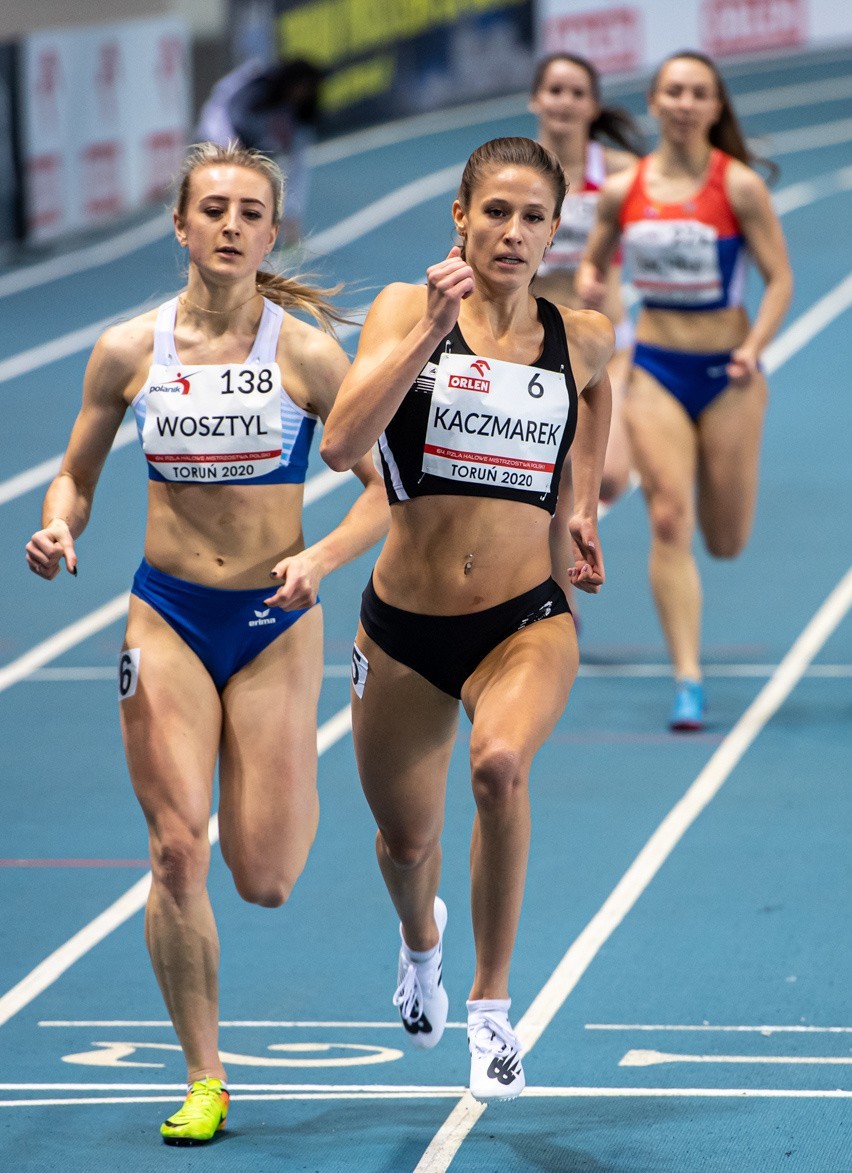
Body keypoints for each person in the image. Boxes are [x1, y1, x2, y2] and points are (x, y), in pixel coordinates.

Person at [25, 142, 388, 1144]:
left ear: (274, 233)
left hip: (274, 623)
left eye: (250, 212)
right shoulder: (128, 350)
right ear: (181, 228)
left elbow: (381, 494)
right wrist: (63, 526)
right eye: (213, 209)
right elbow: (78, 476)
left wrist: (320, 561)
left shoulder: (307, 353)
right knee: (177, 849)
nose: (230, 225)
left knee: (264, 876)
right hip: (168, 617)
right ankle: (204, 1076)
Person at [320, 137, 612, 1100]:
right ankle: (421, 943)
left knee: (498, 765)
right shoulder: (410, 308)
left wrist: (582, 504)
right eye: (496, 213)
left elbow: (597, 395)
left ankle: (492, 1009)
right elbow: (339, 447)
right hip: (403, 628)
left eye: (534, 218)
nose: (513, 233)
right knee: (406, 846)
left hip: (527, 618)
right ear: (460, 216)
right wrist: (427, 334)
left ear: (556, 232)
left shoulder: (584, 335)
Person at [577, 50, 792, 731]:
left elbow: (780, 278)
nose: (684, 102)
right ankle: (688, 680)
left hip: (728, 376)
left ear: (715, 106)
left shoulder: (739, 188)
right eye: (673, 90)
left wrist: (754, 350)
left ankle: (692, 663)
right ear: (654, 100)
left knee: (725, 538)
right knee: (669, 518)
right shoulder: (625, 189)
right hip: (657, 373)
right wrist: (593, 288)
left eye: (699, 92)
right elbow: (594, 255)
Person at [530, 52, 644, 503]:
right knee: (550, 488)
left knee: (610, 479)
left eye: (577, 93)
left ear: (593, 106)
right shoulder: (516, 172)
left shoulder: (621, 173)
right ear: (536, 99)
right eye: (555, 90)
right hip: (536, 344)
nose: (565, 101)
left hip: (605, 341)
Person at [195, 58, 323, 245]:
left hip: (255, 147)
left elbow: (297, 168)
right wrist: (232, 150)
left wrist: (293, 214)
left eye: (307, 91)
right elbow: (217, 113)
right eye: (299, 87)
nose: (300, 94)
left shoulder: (299, 116)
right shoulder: (254, 85)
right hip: (222, 136)